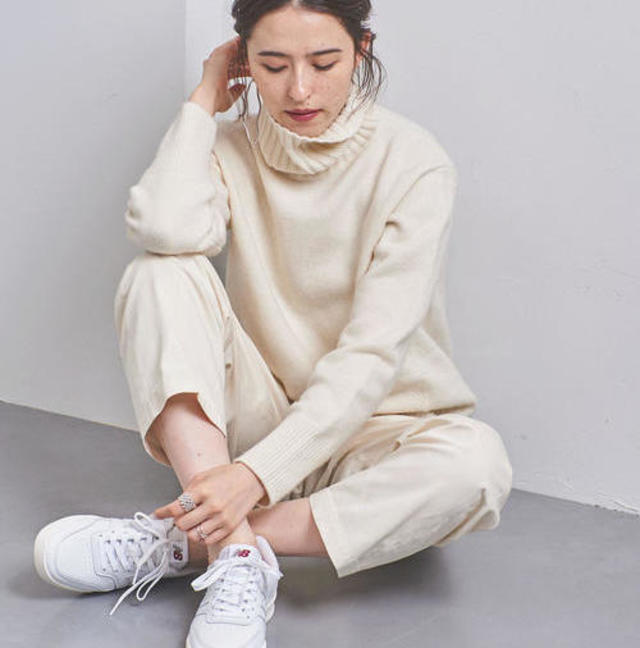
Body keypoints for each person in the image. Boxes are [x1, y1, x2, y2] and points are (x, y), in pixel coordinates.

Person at [33, 2, 514, 647]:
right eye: (273, 65)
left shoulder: (414, 163)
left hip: (379, 431)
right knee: (157, 273)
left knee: (476, 466)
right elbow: (164, 228)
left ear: (362, 49)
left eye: (324, 62)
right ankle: (235, 556)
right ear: (243, 62)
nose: (300, 90)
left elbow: (373, 354)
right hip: (261, 412)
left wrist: (254, 478)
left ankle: (195, 540)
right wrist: (204, 101)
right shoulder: (231, 145)